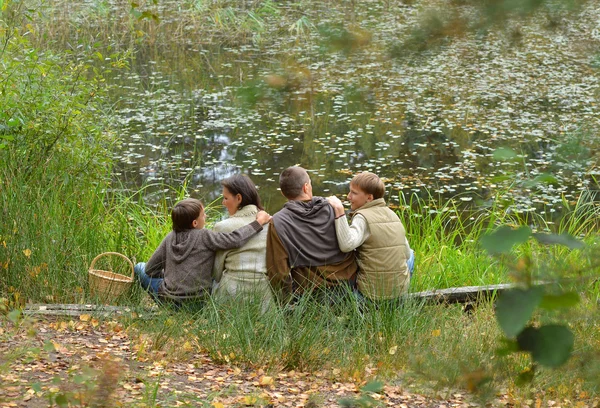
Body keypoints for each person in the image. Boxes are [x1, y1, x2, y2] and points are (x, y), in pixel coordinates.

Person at [134, 198, 271, 309]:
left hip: (168, 301)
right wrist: (258, 222)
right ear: (194, 222)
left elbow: (150, 269)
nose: (205, 216)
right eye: (203, 214)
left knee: (139, 267)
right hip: (199, 304)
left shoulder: (169, 237)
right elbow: (235, 239)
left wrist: (168, 276)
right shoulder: (205, 236)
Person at [266, 166, 358, 304]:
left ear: (284, 194)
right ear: (306, 187)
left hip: (312, 295)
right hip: (351, 288)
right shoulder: (334, 207)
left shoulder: (278, 222)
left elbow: (278, 272)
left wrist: (287, 305)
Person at [327, 171, 415, 302]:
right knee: (412, 254)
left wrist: (339, 211)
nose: (348, 196)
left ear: (369, 198)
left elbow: (346, 245)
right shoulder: (393, 215)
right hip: (399, 293)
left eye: (354, 193)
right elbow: (406, 254)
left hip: (370, 296)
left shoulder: (362, 217)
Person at [212, 175, 274, 312]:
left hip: (230, 297)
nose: (223, 202)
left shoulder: (222, 227)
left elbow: (216, 272)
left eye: (226, 198)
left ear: (239, 198)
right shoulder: (271, 224)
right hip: (264, 299)